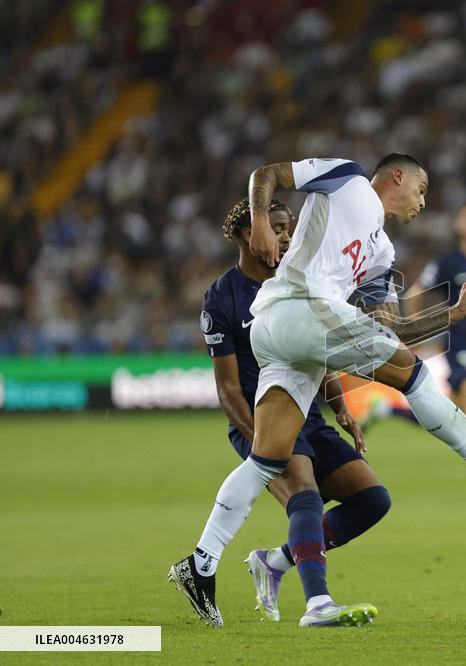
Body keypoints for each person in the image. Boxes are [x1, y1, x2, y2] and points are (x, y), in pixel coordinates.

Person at [170, 154, 466, 628]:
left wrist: (451, 314)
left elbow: (391, 331)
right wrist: (263, 221)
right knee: (412, 375)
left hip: (286, 330)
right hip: (298, 305)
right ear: (397, 177)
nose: (423, 201)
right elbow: (265, 175)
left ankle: (200, 562)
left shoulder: (382, 255)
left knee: (267, 458)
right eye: (422, 188)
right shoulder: (345, 177)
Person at [168, 197, 390, 627]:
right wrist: (263, 444)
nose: (287, 236)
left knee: (372, 500)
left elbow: (314, 351)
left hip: (309, 418)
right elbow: (228, 389)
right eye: (278, 228)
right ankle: (318, 604)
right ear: (250, 234)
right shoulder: (222, 298)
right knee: (304, 496)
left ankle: (274, 561)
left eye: (289, 227)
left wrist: (341, 408)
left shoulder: (297, 282)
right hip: (263, 423)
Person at [375, 200, 466, 505]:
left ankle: (387, 410)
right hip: (459, 343)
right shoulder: (448, 262)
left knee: (451, 415)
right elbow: (415, 294)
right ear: (458, 226)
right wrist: (413, 331)